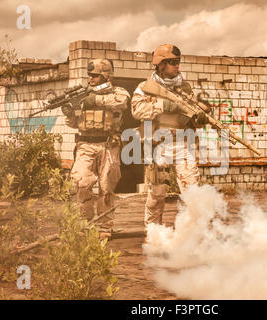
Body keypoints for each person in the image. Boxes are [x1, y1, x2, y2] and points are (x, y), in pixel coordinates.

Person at [131, 44, 208, 226]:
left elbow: (191, 115)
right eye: (172, 62)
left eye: (178, 62)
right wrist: (163, 106)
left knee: (192, 192)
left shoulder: (185, 88)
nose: (177, 66)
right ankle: (153, 232)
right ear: (160, 64)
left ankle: (190, 233)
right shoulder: (145, 87)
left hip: (183, 144)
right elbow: (137, 110)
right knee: (157, 195)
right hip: (158, 145)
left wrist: (200, 118)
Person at [62, 58, 130, 233]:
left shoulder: (117, 91)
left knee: (107, 187)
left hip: (108, 145)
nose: (90, 78)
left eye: (95, 75)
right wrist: (70, 113)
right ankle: (86, 224)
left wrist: (95, 101)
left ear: (105, 75)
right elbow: (73, 123)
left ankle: (104, 226)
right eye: (89, 75)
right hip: (85, 144)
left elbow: (122, 102)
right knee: (81, 182)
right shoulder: (84, 94)